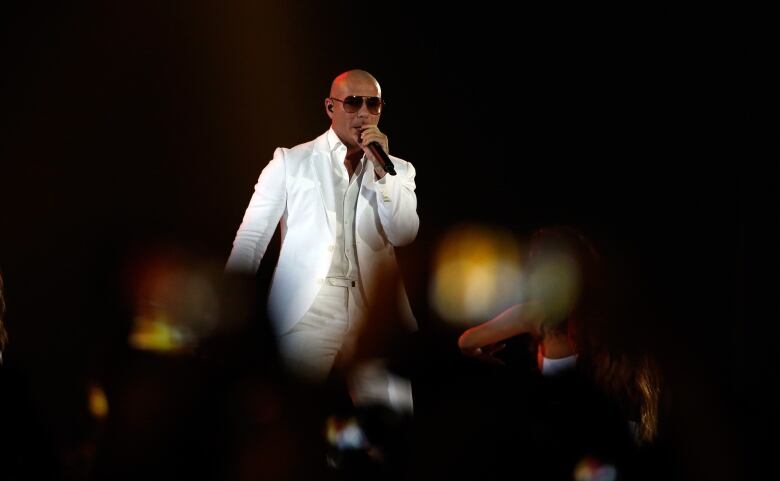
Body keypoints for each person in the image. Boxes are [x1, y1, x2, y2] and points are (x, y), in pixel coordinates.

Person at [225, 69, 418, 412]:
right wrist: (227, 308)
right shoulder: (291, 161)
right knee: (296, 416)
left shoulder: (397, 170)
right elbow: (252, 238)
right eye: (353, 102)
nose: (363, 112)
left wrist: (382, 174)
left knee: (391, 423)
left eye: (372, 104)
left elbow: (404, 232)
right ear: (330, 107)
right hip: (308, 310)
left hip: (373, 314)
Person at [458, 226, 662, 478]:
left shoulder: (537, 313)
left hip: (575, 447)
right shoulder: (614, 315)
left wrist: (479, 353)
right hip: (624, 442)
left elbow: (466, 341)